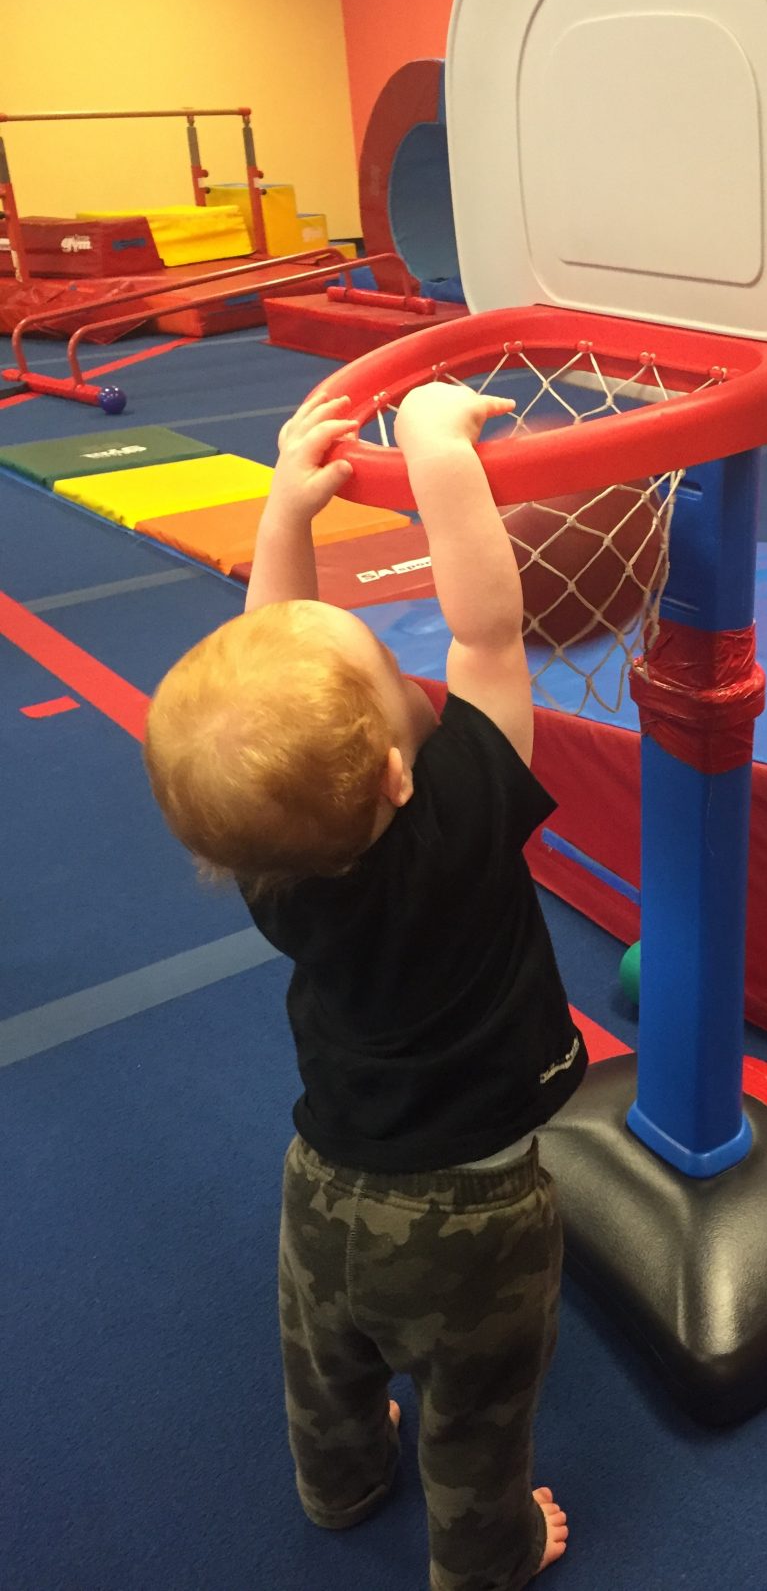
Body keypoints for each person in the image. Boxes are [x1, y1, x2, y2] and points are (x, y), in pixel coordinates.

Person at [143, 383, 586, 1591]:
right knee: (477, 1408)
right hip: (477, 1213)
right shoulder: (461, 821)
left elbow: (272, 661)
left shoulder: (274, 871)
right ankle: (487, 1556)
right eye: (387, 664)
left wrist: (288, 511)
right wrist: (440, 458)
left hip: (326, 1176)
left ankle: (336, 1485)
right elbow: (489, 636)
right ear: (397, 773)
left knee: (326, 1360)